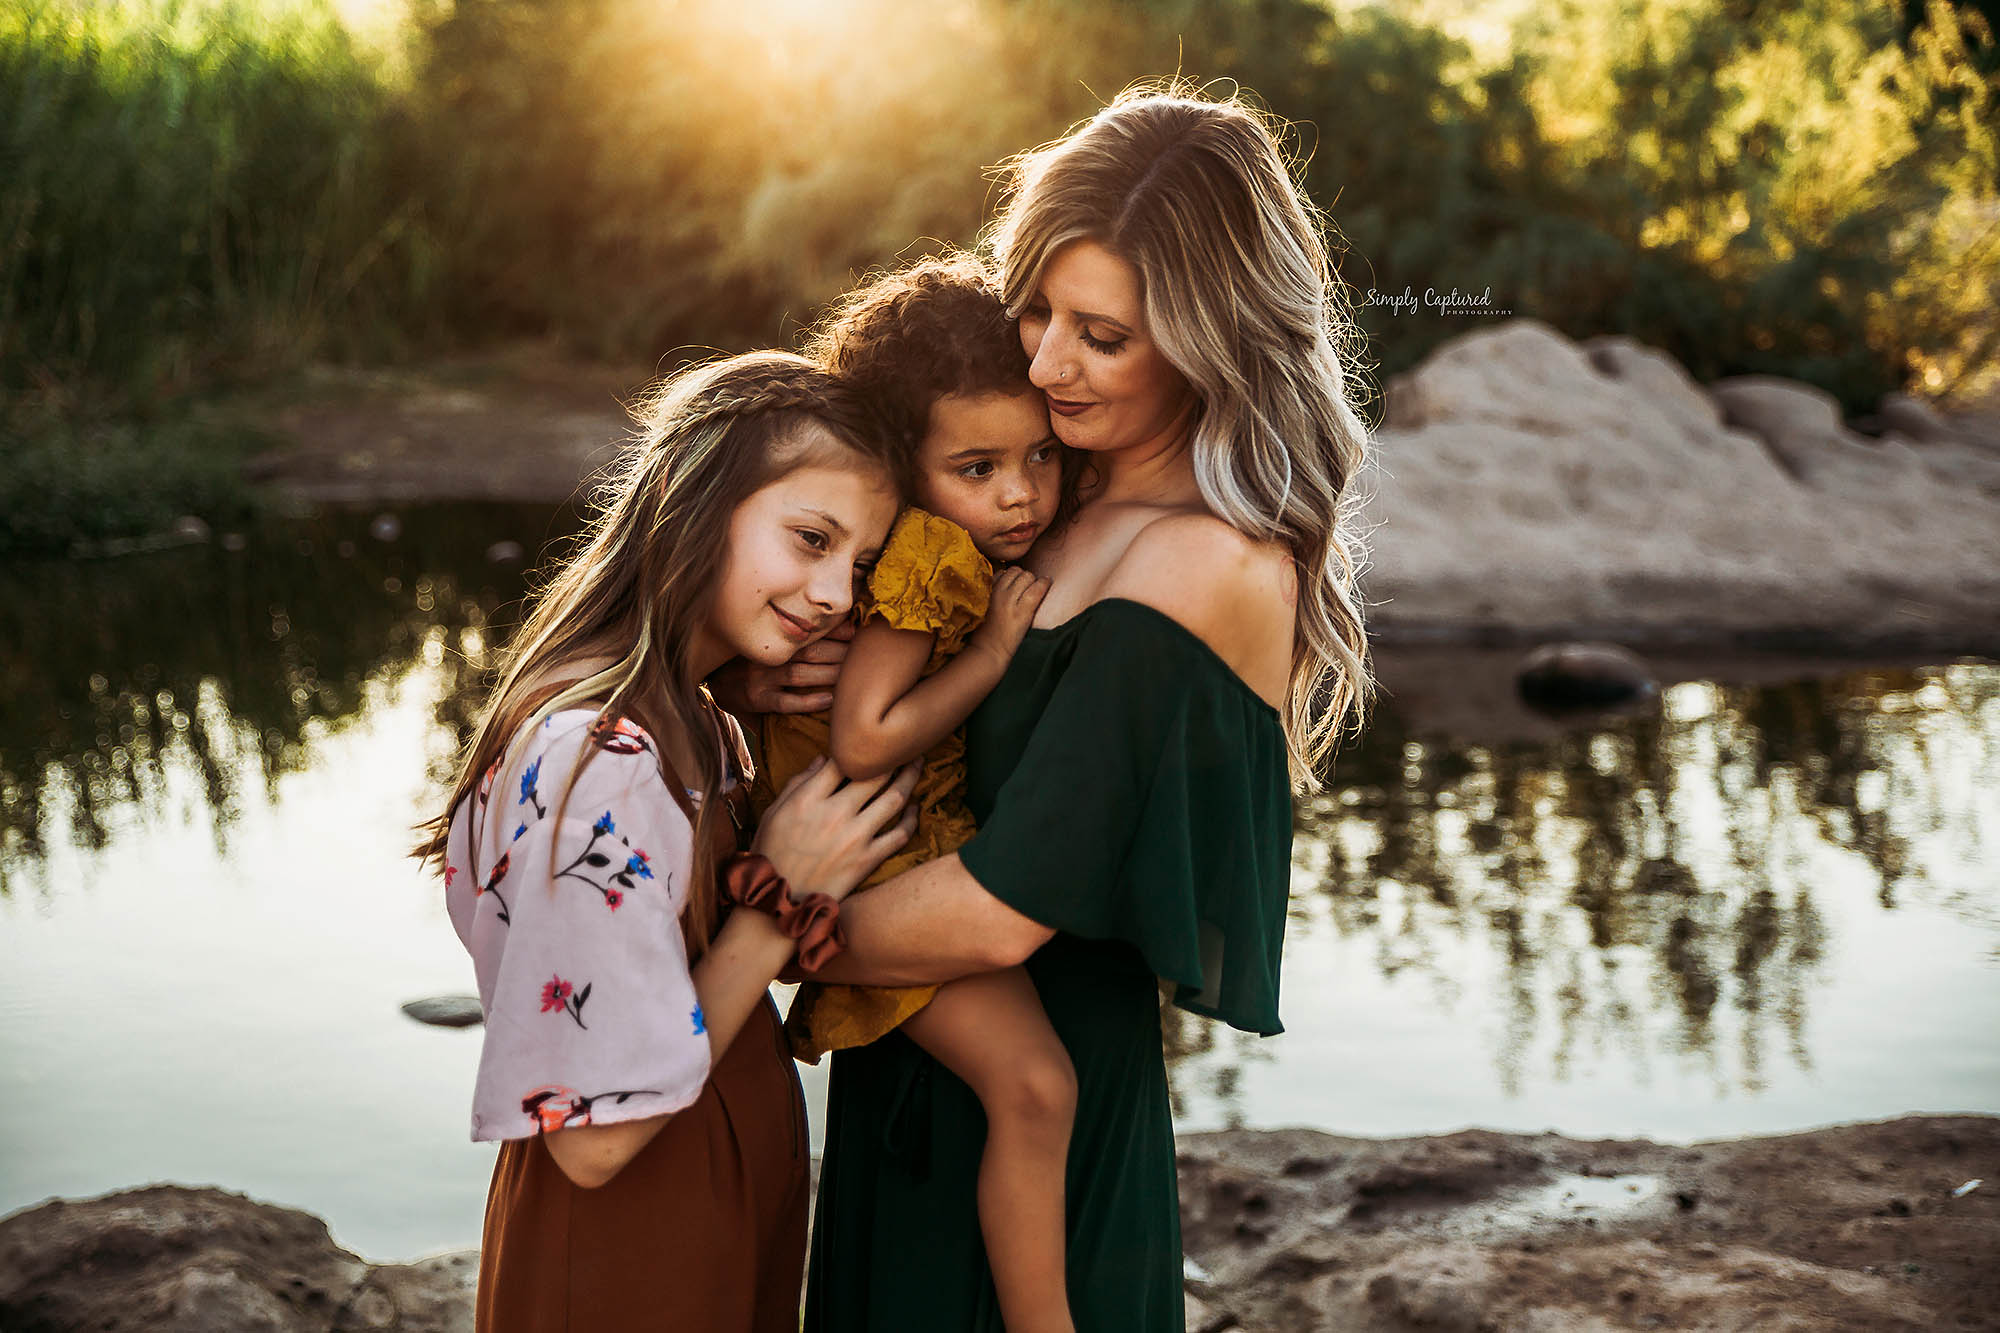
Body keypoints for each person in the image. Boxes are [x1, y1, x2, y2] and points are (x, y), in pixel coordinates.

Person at [795, 85, 1381, 1331]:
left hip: (1045, 1130)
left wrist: (754, 927)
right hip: (910, 1073)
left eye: (1099, 336)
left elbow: (1004, 909)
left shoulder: (1209, 564)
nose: (1045, 362)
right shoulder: (1038, 497)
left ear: (1208, 341)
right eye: (1037, 312)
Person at [411, 350, 920, 1332]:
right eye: (809, 538)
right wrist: (780, 895)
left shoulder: (682, 714)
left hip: (703, 1209)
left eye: (856, 566)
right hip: (630, 1247)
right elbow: (594, 1140)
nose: (834, 595)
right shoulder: (594, 756)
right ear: (696, 504)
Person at [757, 254, 1083, 1332]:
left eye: (1039, 455)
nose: (1021, 493)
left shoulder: (949, 537)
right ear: (904, 467)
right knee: (1036, 1089)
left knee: (1032, 1091)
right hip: (876, 853)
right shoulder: (929, 553)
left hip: (896, 840)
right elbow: (862, 734)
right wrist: (989, 653)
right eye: (977, 466)